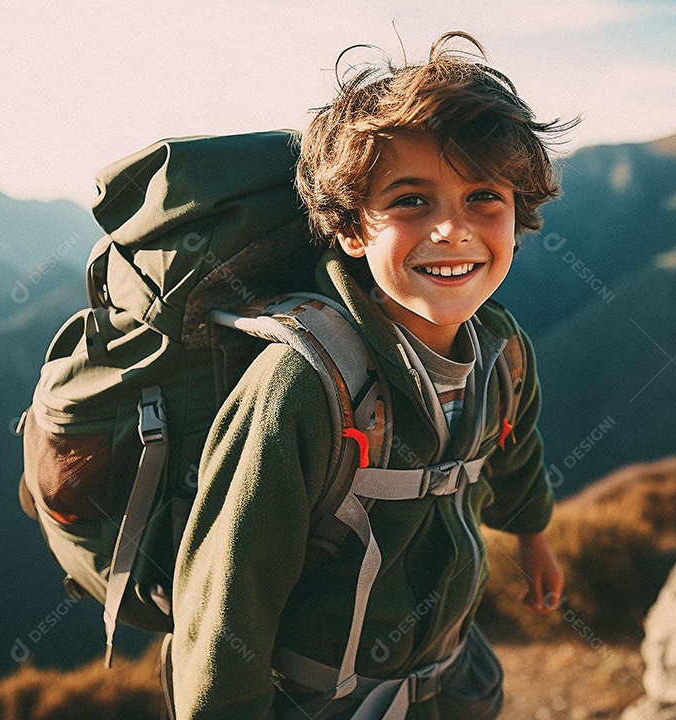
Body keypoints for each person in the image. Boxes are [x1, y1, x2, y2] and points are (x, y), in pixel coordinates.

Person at [169, 31, 574, 720]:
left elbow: (515, 451)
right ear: (353, 229)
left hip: (453, 683)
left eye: (484, 196)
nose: (453, 231)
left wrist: (533, 537)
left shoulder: (501, 352)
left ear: (519, 213)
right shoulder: (302, 386)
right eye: (412, 201)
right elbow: (230, 596)